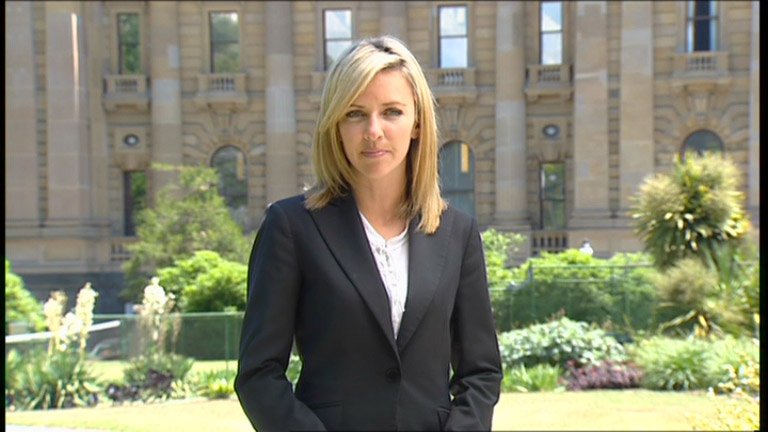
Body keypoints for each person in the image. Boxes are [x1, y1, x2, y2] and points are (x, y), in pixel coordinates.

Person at [235, 35, 502, 431]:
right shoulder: (291, 227)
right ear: (336, 125)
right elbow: (258, 375)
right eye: (355, 114)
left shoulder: (457, 233)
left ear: (417, 123)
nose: (373, 131)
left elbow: (480, 372)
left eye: (392, 112)